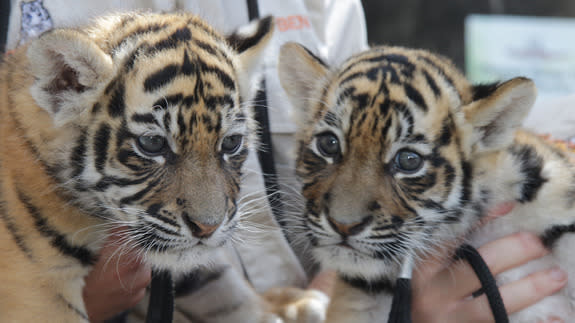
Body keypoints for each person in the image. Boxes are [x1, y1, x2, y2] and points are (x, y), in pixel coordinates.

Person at [2, 1, 571, 322]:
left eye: (231, 147)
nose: (211, 213)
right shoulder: (45, 91)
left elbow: (367, 155)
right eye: (153, 146)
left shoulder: (318, 7)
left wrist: (372, 303)